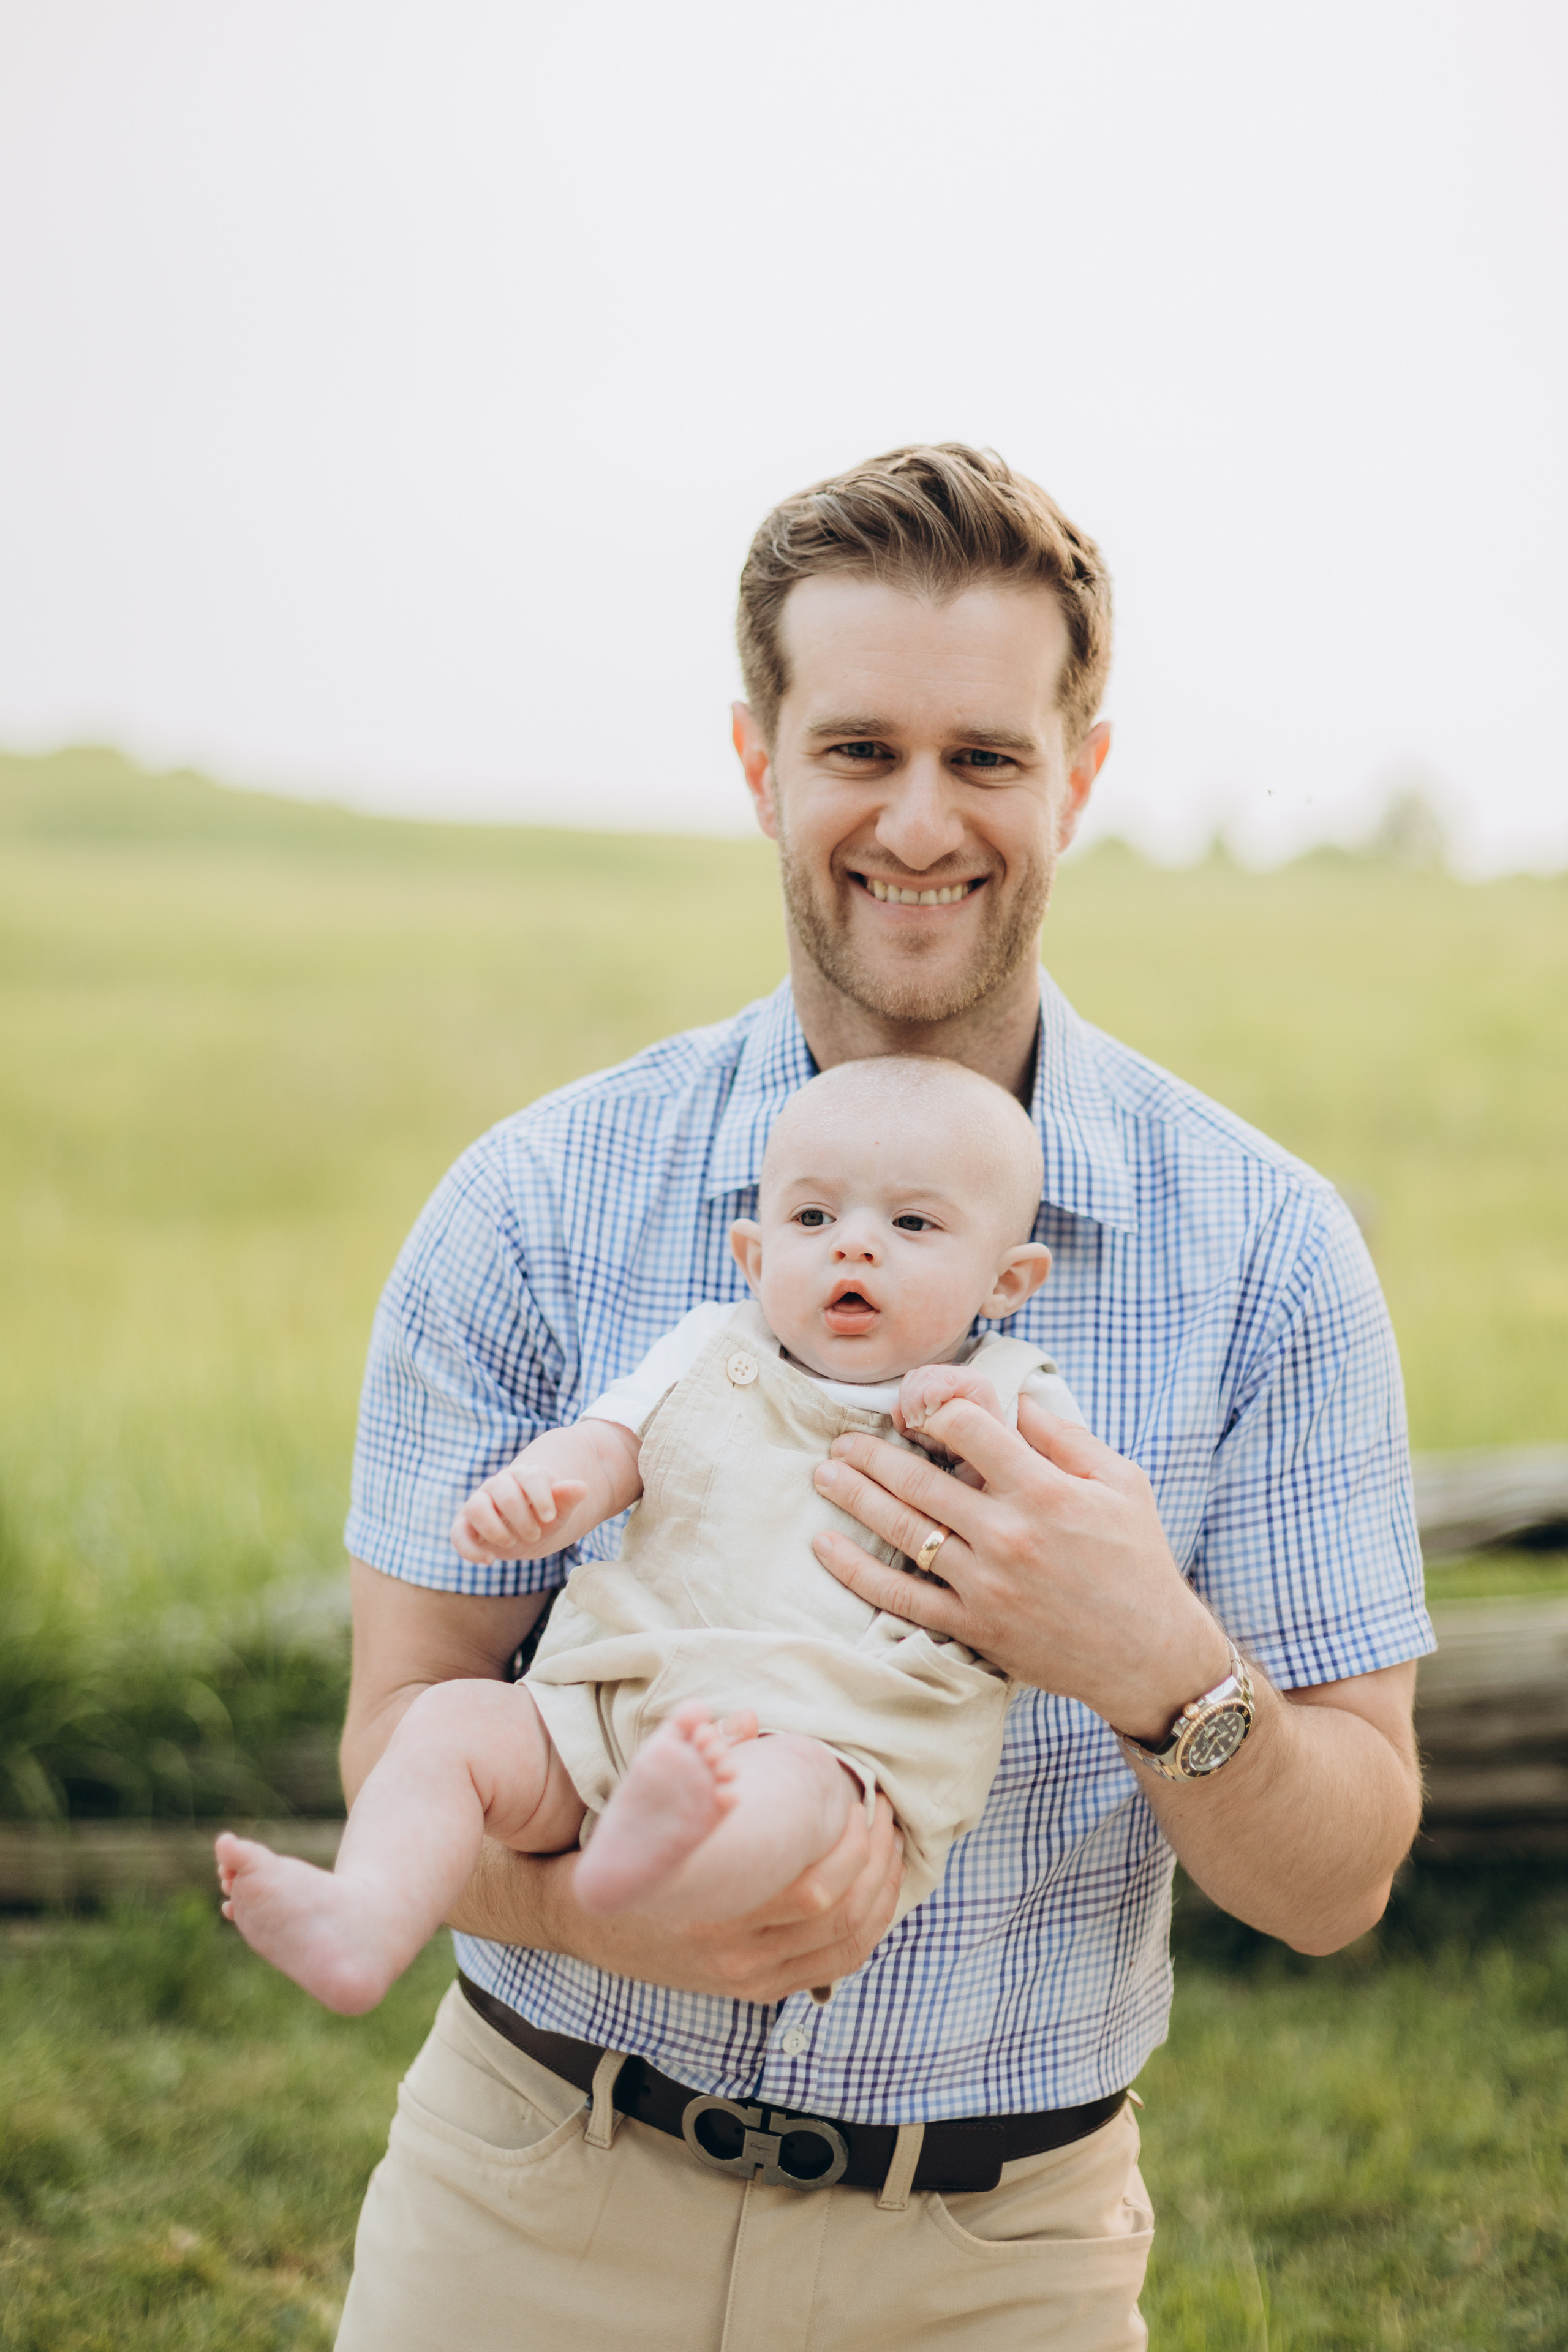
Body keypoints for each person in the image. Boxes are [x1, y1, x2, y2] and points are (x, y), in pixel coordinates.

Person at [331, 445, 1431, 2352]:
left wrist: (1153, 1655)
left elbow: (1340, 1879)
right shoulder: (532, 1202)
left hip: (995, 2259)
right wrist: (614, 1914)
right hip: (528, 2194)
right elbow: (394, 1746)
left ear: (1079, 774)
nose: (920, 824)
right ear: (759, 760)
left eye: (987, 759)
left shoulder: (1268, 1252)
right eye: (857, 751)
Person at [216, 1059, 1080, 2007]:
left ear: (1008, 1279)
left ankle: (667, 1856)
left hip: (837, 1728)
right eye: (813, 1219)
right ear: (754, 1257)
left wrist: (981, 1439)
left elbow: (1067, 1555)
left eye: (911, 1224)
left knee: (778, 1796)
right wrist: (545, 1493)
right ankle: (367, 1916)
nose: (854, 1249)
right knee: (449, 1727)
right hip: (619, 1687)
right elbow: (608, 1446)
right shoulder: (712, 1347)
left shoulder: (1015, 1390)